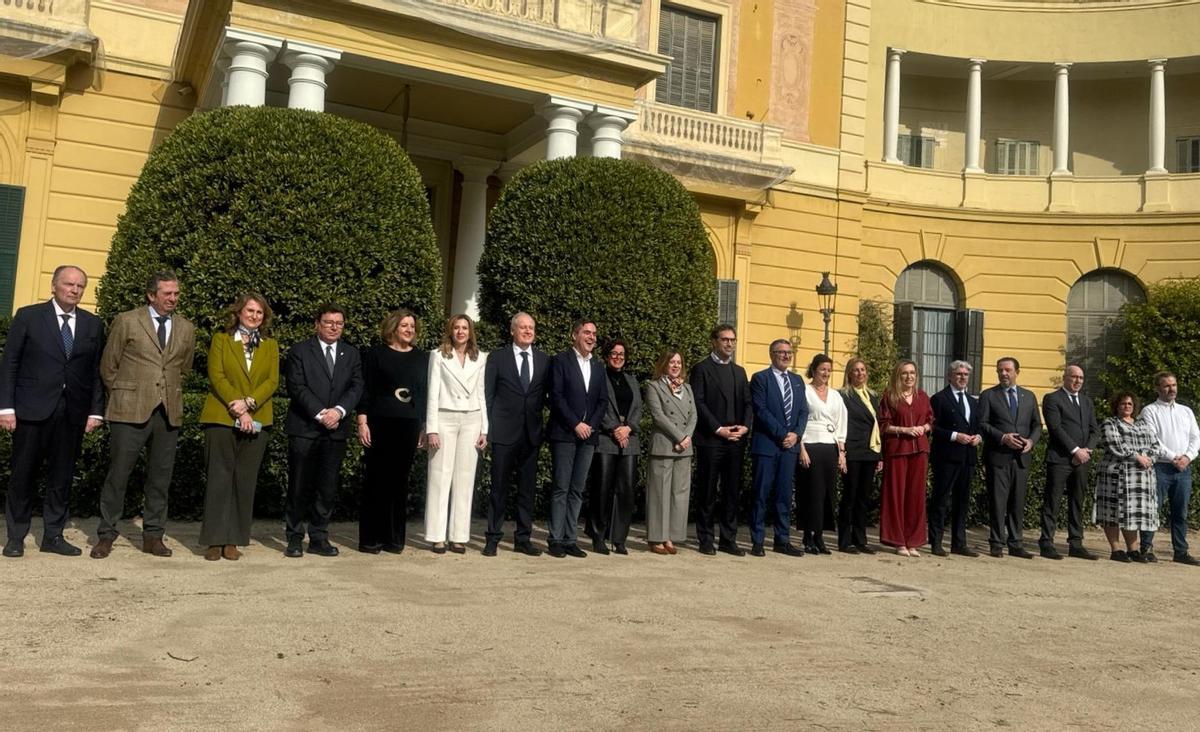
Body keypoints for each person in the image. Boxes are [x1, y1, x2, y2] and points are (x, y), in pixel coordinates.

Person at [1, 265, 104, 558]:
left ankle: (53, 535)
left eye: (80, 286)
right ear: (54, 286)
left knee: (62, 476)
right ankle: (16, 536)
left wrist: (96, 411)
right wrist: (6, 407)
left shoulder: (92, 325)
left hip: (72, 411)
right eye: (69, 284)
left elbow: (95, 372)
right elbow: (10, 363)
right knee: (23, 474)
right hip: (31, 409)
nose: (74, 290)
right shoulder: (29, 316)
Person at [92, 270, 196, 559]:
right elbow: (108, 366)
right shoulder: (127, 321)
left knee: (160, 478)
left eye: (176, 293)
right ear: (152, 295)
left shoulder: (186, 328)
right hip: (129, 411)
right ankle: (106, 534)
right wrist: (125, 394)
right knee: (118, 475)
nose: (173, 298)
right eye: (167, 294)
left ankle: (153, 536)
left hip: (168, 412)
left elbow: (183, 369)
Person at [197, 293, 279, 561]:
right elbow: (216, 375)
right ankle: (214, 540)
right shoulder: (221, 340)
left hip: (257, 417)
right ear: (239, 312)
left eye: (259, 313)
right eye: (250, 311)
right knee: (219, 479)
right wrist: (237, 405)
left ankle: (233, 540)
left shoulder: (270, 345)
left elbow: (272, 381)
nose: (254, 316)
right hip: (221, 415)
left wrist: (249, 404)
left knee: (244, 481)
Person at [283, 304, 363, 558]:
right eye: (328, 322)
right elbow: (296, 386)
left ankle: (319, 536)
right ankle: (294, 537)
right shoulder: (299, 351)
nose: (333, 327)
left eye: (338, 323)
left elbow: (356, 386)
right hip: (305, 428)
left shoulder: (351, 354)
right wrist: (321, 413)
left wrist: (338, 411)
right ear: (317, 323)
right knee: (299, 485)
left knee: (327, 488)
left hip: (336, 430)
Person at [356, 309, 427, 554]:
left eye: (412, 326)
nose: (409, 330)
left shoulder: (422, 358)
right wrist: (362, 421)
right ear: (393, 328)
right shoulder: (376, 354)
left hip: (408, 423)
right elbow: (366, 388)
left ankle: (394, 539)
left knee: (399, 482)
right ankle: (370, 539)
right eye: (405, 325)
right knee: (376, 480)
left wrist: (423, 426)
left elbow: (424, 393)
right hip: (380, 422)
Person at [482, 312, 549, 557]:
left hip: (531, 435)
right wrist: (485, 428)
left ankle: (523, 538)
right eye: (523, 327)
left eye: (531, 327)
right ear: (512, 330)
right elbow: (487, 396)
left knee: (527, 490)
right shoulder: (497, 358)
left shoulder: (544, 360)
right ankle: (492, 538)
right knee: (498, 488)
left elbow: (546, 396)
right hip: (503, 432)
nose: (528, 331)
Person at [424, 314, 487, 554]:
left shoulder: (480, 358)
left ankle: (459, 536)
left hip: (471, 419)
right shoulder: (438, 355)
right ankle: (436, 535)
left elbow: (481, 393)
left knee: (465, 478)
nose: (461, 332)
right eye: (457, 328)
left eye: (465, 328)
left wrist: (485, 428)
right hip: (444, 418)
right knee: (440, 476)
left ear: (471, 332)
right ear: (450, 331)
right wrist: (431, 428)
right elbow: (432, 393)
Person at [547, 319, 607, 558]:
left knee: (577, 489)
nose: (591, 337)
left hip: (588, 436)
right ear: (574, 335)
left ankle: (570, 539)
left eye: (594, 333)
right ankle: (555, 539)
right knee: (561, 487)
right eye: (586, 332)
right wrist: (575, 423)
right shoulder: (560, 361)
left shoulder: (599, 367)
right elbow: (556, 396)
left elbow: (602, 401)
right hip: (564, 433)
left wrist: (589, 425)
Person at [690, 324, 752, 556]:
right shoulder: (701, 369)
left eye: (733, 340)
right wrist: (718, 429)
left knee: (732, 492)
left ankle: (728, 538)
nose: (729, 344)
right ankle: (705, 538)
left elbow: (748, 402)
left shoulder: (739, 371)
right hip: (711, 440)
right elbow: (699, 402)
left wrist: (745, 427)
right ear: (714, 341)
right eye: (725, 340)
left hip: (735, 440)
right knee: (707, 491)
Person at [978, 356, 1042, 559]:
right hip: (998, 456)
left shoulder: (1029, 396)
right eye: (1000, 370)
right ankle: (996, 542)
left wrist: (1031, 442)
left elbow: (1037, 425)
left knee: (1017, 501)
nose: (1003, 374)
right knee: (998, 501)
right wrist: (1003, 437)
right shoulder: (988, 395)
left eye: (1007, 370)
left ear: (1017, 372)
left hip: (1022, 458)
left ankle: (1016, 543)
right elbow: (983, 424)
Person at [748, 340, 808, 557]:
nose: (785, 356)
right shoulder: (760, 378)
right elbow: (761, 410)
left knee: (784, 496)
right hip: (767, 445)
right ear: (771, 354)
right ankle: (757, 540)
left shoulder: (797, 380)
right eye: (781, 352)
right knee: (761, 494)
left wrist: (796, 435)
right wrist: (783, 434)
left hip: (789, 448)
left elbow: (803, 411)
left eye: (789, 353)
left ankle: (782, 540)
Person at [1039, 364, 1100, 560]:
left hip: (1083, 460)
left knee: (1077, 501)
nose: (1077, 381)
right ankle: (1046, 542)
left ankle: (1076, 543)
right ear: (1065, 378)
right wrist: (1075, 450)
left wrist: (1087, 450)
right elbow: (1056, 428)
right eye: (1074, 377)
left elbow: (1094, 430)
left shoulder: (1086, 401)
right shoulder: (1052, 399)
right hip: (1060, 459)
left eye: (1081, 378)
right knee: (1053, 500)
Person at [1138, 371, 1200, 565]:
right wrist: (1174, 457)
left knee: (1180, 512)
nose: (1171, 389)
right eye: (1166, 385)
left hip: (1183, 469)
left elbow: (1195, 437)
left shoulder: (1186, 411)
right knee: (1153, 510)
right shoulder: (1150, 411)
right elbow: (1152, 439)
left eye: (1173, 385)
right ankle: (1146, 548)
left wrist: (1188, 457)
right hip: (1160, 467)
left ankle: (1180, 551)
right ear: (1157, 388)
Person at [588, 338, 642, 555]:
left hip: (629, 441)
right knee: (601, 489)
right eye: (614, 353)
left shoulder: (633, 381)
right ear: (607, 355)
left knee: (626, 490)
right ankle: (598, 535)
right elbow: (597, 406)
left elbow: (638, 409)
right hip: (605, 440)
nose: (618, 357)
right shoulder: (599, 377)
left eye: (622, 354)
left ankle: (619, 538)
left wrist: (627, 428)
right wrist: (614, 429)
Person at [1095, 392, 1159, 563]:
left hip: (1140, 477)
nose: (1127, 406)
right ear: (1116, 405)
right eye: (1123, 404)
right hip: (1116, 474)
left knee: (1133, 514)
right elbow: (1115, 444)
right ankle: (1116, 550)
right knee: (1113, 512)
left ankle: (1133, 549)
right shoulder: (1110, 423)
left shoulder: (1143, 424)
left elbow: (1155, 445)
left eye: (1130, 404)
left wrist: (1150, 458)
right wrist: (1137, 457)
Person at [644, 350, 696, 556]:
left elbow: (693, 416)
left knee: (679, 494)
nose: (675, 366)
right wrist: (679, 437)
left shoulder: (688, 388)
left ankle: (671, 536)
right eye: (671, 362)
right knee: (659, 494)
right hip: (664, 445)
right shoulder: (653, 386)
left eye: (678, 362)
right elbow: (658, 416)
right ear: (664, 364)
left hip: (684, 448)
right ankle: (657, 537)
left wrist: (686, 438)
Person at [878, 360, 933, 557]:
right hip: (898, 450)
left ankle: (913, 541)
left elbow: (930, 421)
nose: (909, 377)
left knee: (916, 497)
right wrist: (905, 430)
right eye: (904, 373)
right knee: (895, 496)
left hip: (919, 451)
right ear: (898, 376)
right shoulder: (889, 397)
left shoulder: (923, 397)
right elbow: (884, 425)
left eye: (912, 373)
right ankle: (898, 541)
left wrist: (923, 428)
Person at [928, 360, 982, 557]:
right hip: (947, 456)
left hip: (967, 457)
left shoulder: (973, 401)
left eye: (965, 375)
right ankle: (936, 541)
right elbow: (934, 427)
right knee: (941, 499)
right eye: (958, 374)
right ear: (950, 376)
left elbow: (978, 426)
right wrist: (954, 436)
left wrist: (978, 437)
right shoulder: (939, 399)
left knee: (962, 500)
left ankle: (959, 542)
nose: (962, 377)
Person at [797, 353, 846, 555]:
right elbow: (798, 420)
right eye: (822, 369)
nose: (825, 373)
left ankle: (819, 535)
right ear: (814, 370)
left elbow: (841, 423)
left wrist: (841, 453)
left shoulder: (835, 395)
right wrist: (801, 448)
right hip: (810, 444)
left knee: (827, 494)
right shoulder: (805, 391)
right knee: (811, 493)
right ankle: (807, 535)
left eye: (828, 370)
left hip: (830, 446)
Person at [838, 358, 881, 554]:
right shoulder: (843, 396)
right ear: (849, 373)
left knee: (863, 498)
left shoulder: (872, 396)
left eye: (863, 370)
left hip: (870, 451)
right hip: (852, 450)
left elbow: (878, 426)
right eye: (855, 370)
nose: (860, 373)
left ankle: (860, 539)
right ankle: (845, 540)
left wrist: (880, 455)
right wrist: (842, 452)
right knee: (850, 496)